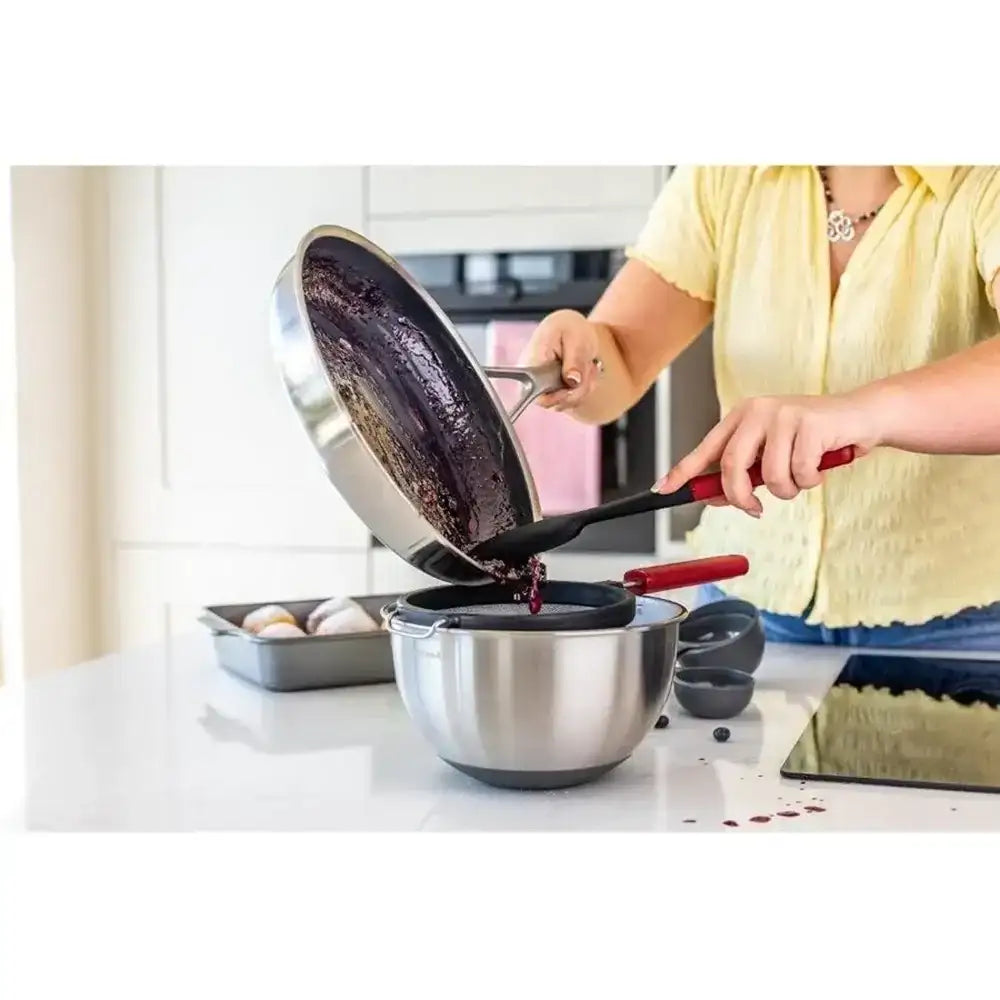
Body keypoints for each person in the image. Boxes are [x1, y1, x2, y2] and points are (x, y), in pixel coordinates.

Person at [520, 166, 1000, 649]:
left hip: (962, 618)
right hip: (745, 606)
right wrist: (582, 351)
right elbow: (618, 357)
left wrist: (860, 414)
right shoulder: (727, 172)